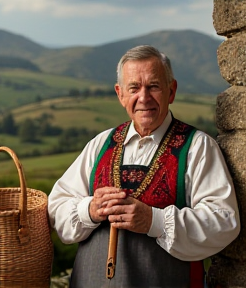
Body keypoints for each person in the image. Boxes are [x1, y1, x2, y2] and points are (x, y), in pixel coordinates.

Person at [48, 45, 240, 288]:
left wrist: (154, 221)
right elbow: (56, 209)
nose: (144, 98)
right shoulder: (100, 144)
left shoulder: (197, 147)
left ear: (172, 91)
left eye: (154, 86)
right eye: (134, 88)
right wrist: (91, 209)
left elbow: (224, 221)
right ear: (120, 94)